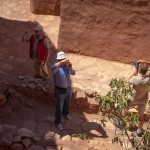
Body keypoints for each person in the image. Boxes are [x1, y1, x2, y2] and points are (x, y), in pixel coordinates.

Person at [124, 62, 150, 136]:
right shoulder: (148, 80)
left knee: (124, 107)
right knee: (141, 115)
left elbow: (128, 80)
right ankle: (139, 130)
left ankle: (121, 122)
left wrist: (135, 72)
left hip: (133, 98)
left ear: (139, 69)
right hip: (143, 100)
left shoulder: (135, 79)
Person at [52, 51, 75, 130]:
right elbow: (54, 68)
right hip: (60, 90)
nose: (64, 61)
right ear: (59, 60)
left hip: (68, 88)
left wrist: (70, 67)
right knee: (59, 107)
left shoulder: (66, 67)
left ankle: (65, 114)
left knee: (67, 103)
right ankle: (57, 122)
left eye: (64, 59)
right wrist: (62, 62)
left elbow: (73, 73)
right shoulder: (55, 67)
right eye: (62, 59)